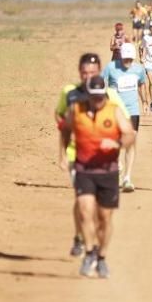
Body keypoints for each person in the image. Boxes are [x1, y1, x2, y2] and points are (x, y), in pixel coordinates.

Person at [60, 75, 136, 279]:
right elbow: (65, 128)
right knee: (85, 211)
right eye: (93, 97)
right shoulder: (77, 109)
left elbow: (130, 133)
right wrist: (64, 152)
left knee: (104, 218)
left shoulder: (114, 110)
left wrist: (118, 144)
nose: (97, 101)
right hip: (84, 168)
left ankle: (101, 256)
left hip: (108, 171)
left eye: (100, 97)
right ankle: (89, 252)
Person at [55, 53, 128, 257]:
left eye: (93, 73)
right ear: (79, 72)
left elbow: (125, 126)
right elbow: (60, 115)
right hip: (76, 155)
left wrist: (117, 146)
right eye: (84, 73)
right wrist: (64, 141)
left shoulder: (110, 95)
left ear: (99, 73)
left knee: (99, 209)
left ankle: (92, 242)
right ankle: (80, 239)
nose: (88, 77)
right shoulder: (69, 93)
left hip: (105, 160)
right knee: (83, 203)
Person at [101, 42, 147, 192]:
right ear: (121, 56)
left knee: (131, 142)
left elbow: (141, 84)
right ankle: (117, 164)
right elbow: (101, 83)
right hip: (115, 110)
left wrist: (145, 101)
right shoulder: (111, 67)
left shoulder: (139, 69)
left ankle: (127, 178)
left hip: (133, 110)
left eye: (130, 59)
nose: (127, 62)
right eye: (125, 59)